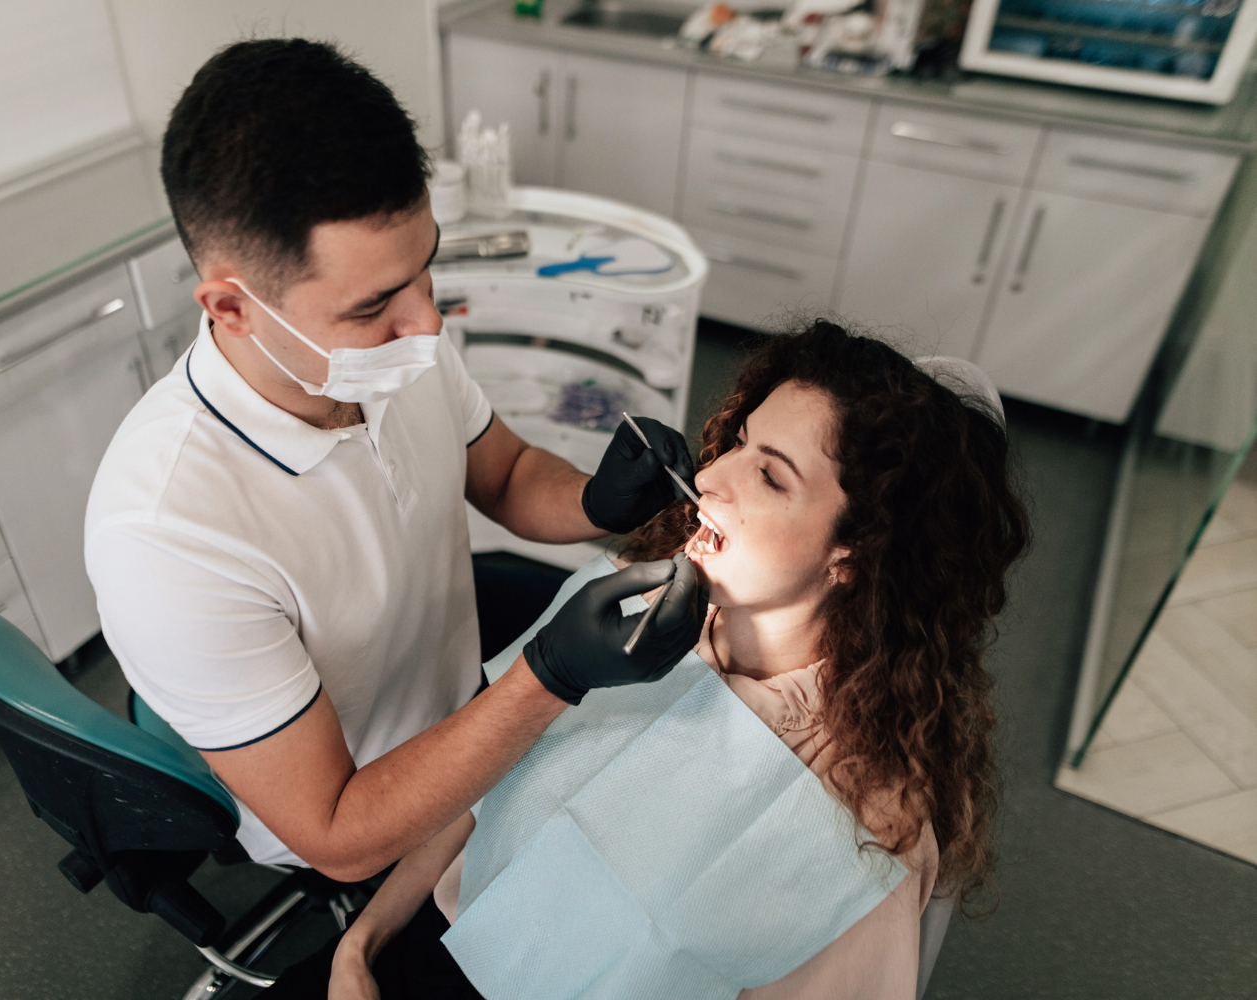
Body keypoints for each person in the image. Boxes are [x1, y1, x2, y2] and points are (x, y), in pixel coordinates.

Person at [84, 38, 706, 884]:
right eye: (375, 302)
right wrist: (547, 675)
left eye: (426, 268)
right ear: (233, 306)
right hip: (379, 814)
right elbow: (337, 834)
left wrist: (598, 502)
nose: (429, 324)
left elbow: (508, 475)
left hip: (466, 698)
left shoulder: (391, 353)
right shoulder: (167, 535)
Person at [273, 321, 1029, 999]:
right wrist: (361, 944)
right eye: (737, 443)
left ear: (853, 551)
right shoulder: (615, 610)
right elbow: (474, 799)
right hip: (416, 953)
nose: (708, 478)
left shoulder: (864, 822)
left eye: (768, 473)